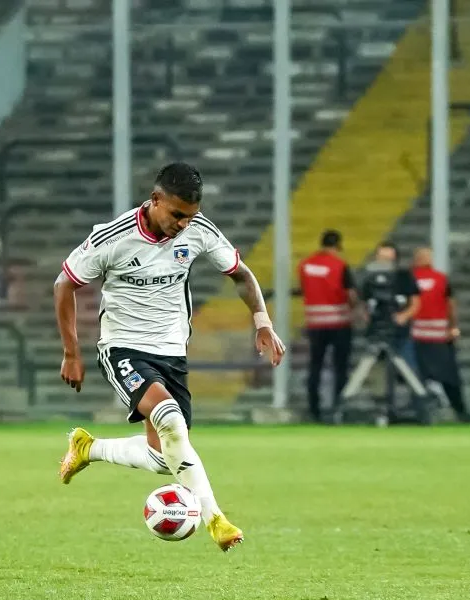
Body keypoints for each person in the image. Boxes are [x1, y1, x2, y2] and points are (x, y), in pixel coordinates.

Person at [54, 162, 286, 552]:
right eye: (177, 214)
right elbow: (64, 285)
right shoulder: (112, 238)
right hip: (123, 347)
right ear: (155, 200)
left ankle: (87, 448)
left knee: (164, 457)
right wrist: (70, 352)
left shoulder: (199, 231)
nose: (183, 224)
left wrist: (262, 322)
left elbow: (241, 274)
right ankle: (216, 519)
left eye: (190, 216)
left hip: (172, 351)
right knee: (170, 420)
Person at [298, 230, 356, 422]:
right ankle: (338, 409)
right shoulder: (340, 265)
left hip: (315, 322)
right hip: (339, 322)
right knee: (341, 367)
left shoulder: (305, 265)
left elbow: (305, 289)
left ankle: (314, 410)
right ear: (338, 245)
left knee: (315, 366)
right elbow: (351, 295)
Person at [411, 247, 470, 421]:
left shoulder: (408, 278)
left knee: (418, 377)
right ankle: (459, 410)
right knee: (449, 376)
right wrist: (453, 326)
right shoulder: (441, 279)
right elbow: (451, 304)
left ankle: (424, 413)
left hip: (419, 336)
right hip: (438, 336)